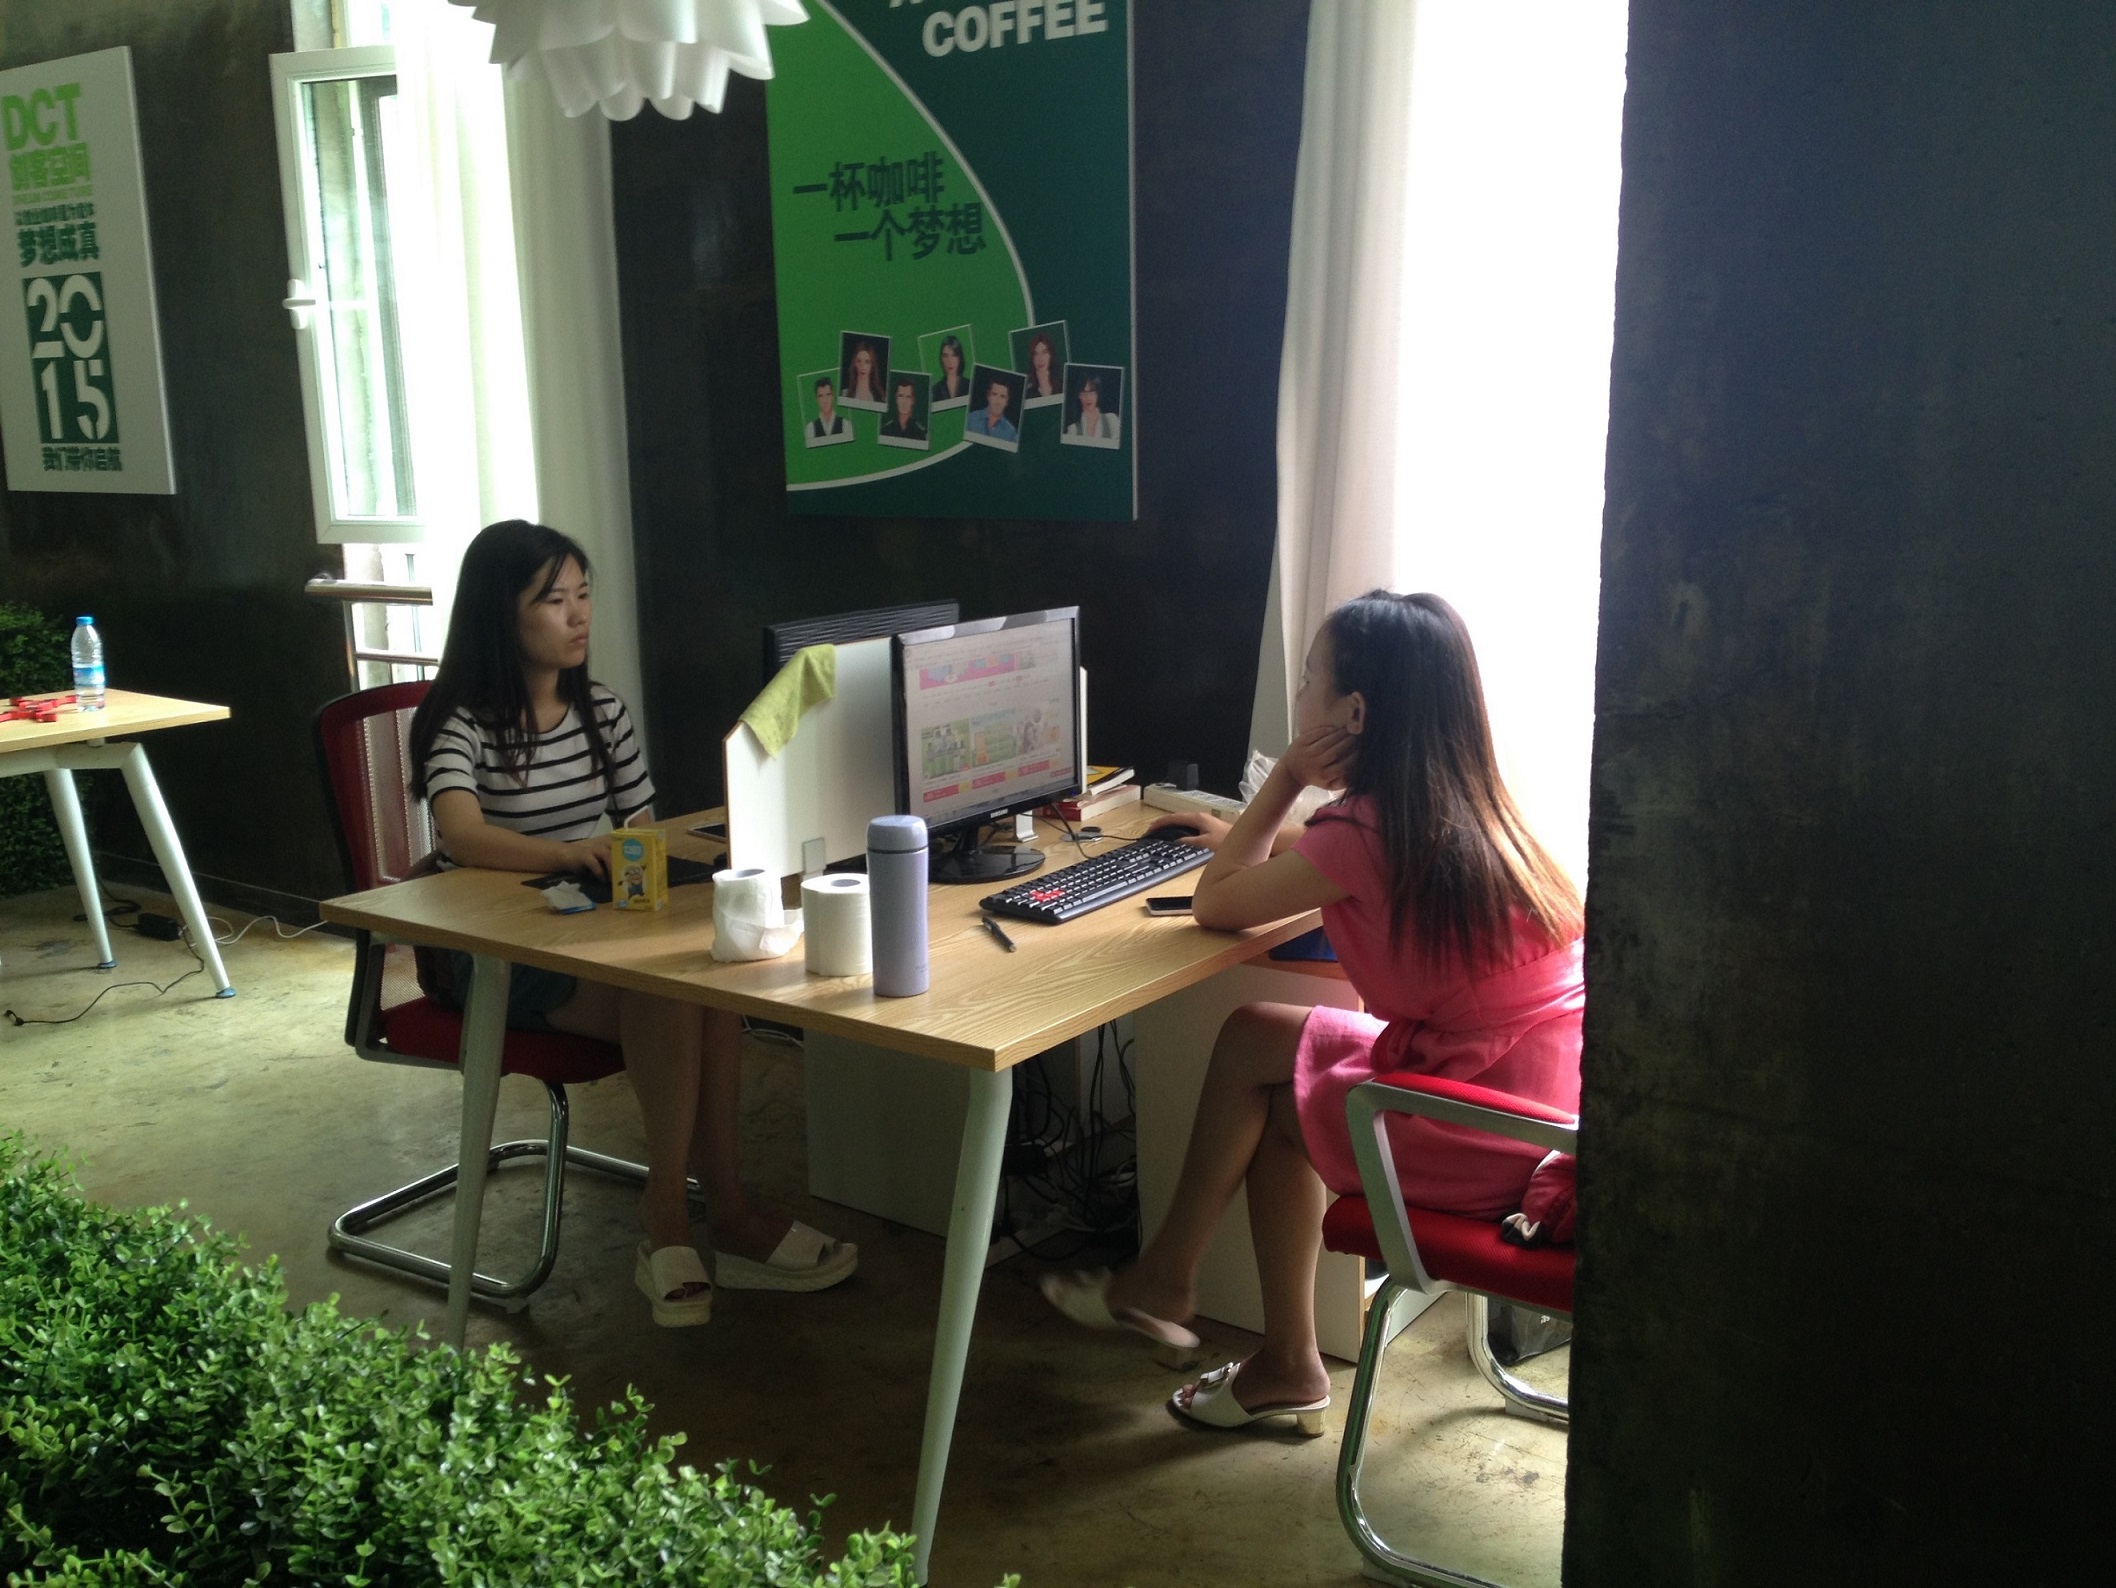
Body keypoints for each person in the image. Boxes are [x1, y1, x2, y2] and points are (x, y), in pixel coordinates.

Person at [1042, 591, 1583, 1431]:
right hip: (1544, 1113)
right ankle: (1236, 1325)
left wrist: (1287, 778)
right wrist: (1237, 832)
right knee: (1262, 1042)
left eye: (1307, 681)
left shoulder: (1366, 833)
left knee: (1268, 1085)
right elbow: (1340, 855)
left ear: (1353, 713)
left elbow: (1217, 905)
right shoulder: (1472, 805)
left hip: (1486, 1132)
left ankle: (1197, 1298)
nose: (1299, 697)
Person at [408, 520, 857, 1328]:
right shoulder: (463, 723)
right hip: (497, 957)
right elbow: (462, 834)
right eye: (554, 600)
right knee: (668, 990)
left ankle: (725, 1214)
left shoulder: (601, 712)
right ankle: (673, 1219)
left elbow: (645, 829)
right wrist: (567, 852)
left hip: (591, 932)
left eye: (584, 596)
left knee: (708, 985)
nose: (579, 615)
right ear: (500, 614)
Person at [1064, 374, 1119, 441]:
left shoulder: (1111, 420)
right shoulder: (1073, 428)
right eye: (1084, 393)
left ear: (1097, 394)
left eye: (1092, 392)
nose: (1088, 397)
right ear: (1079, 395)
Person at [967, 375, 1018, 441]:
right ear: (988, 396)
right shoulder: (970, 419)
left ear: (1007, 401)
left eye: (1002, 396)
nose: (998, 400)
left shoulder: (1011, 433)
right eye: (994, 394)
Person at [806, 376, 850, 444]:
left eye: (828, 394)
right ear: (817, 399)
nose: (825, 400)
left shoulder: (845, 425)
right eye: (821, 396)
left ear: (833, 396)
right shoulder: (810, 428)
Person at [881, 376, 927, 440]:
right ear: (896, 399)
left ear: (913, 400)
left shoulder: (921, 432)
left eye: (908, 397)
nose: (904, 402)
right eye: (900, 396)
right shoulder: (886, 430)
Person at [1023, 330, 1061, 399]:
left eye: (1044, 352)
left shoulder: (1063, 387)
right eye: (1036, 354)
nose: (1040, 359)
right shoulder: (1027, 394)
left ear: (1051, 355)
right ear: (1032, 358)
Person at [843, 340, 883, 404]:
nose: (863, 367)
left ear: (872, 366)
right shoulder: (844, 395)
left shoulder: (881, 397)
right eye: (859, 361)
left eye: (867, 362)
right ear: (855, 364)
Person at [935, 334, 968, 402]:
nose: (949, 361)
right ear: (941, 359)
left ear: (959, 358)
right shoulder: (935, 390)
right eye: (945, 356)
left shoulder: (970, 385)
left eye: (953, 355)